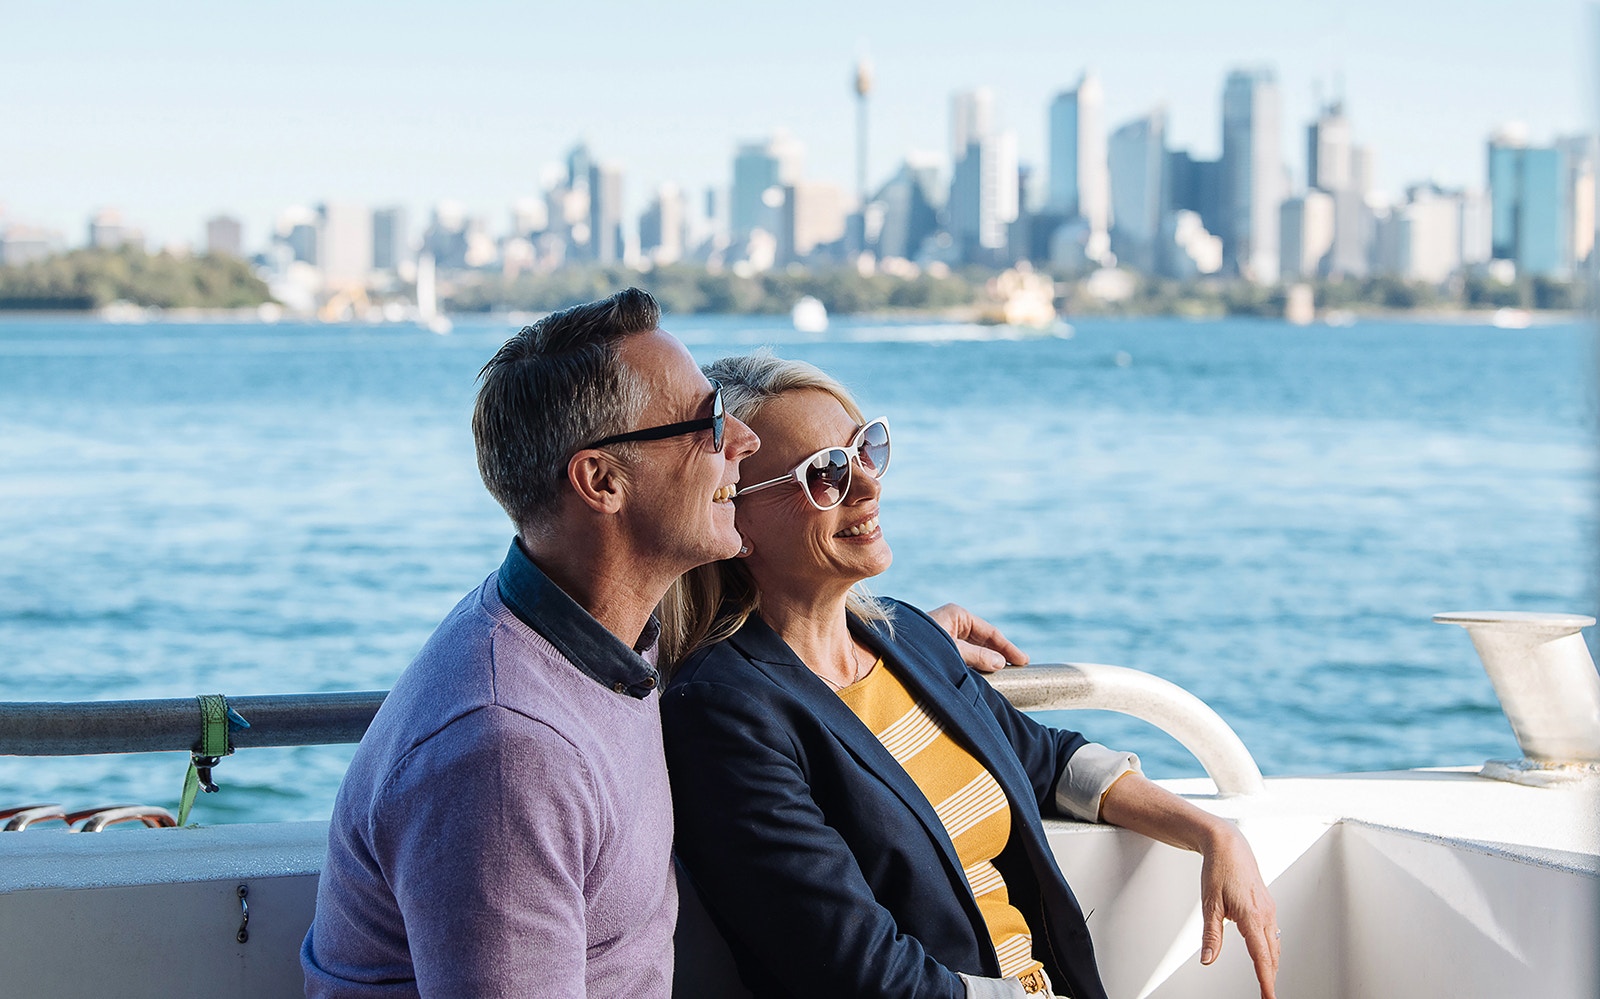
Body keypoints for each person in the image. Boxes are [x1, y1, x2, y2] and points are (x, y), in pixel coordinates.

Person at [301, 289, 1018, 998]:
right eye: (707, 423)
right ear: (603, 480)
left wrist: (896, 636)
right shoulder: (507, 751)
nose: (743, 441)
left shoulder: (604, 646)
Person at [660, 351, 1281, 999]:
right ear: (735, 519)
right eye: (826, 475)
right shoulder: (722, 709)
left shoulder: (907, 637)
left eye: (865, 448)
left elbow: (1047, 759)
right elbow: (855, 968)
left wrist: (1214, 832)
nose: (868, 484)